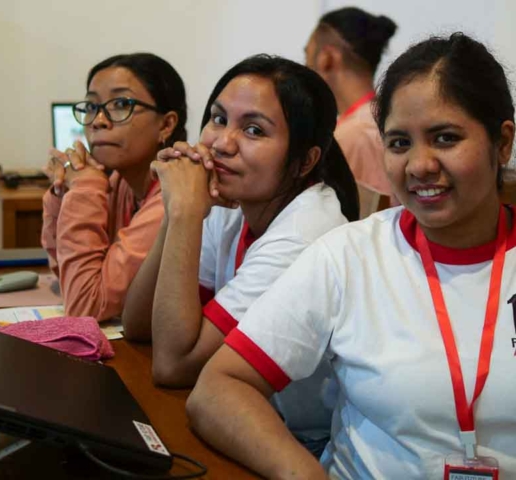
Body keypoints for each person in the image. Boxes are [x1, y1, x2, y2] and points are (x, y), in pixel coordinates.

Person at [186, 33, 516, 479]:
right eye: (399, 143)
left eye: (445, 138)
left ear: (502, 144)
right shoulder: (347, 255)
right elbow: (218, 387)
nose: (420, 165)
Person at [122, 55, 359, 453]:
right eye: (217, 118)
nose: (221, 143)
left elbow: (174, 365)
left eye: (253, 130)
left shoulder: (304, 235)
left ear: (305, 161)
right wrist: (175, 210)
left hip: (303, 441)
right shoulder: (234, 201)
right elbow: (139, 324)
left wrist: (184, 214)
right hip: (243, 417)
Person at [41, 53, 187, 320]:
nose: (98, 121)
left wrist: (84, 189)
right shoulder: (121, 182)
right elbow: (68, 277)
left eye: (121, 104)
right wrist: (61, 193)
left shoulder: (174, 195)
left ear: (166, 125)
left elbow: (86, 306)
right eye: (92, 106)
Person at [305, 7, 397, 218]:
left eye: (307, 56)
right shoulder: (384, 119)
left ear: (326, 58)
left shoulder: (352, 136)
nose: (305, 67)